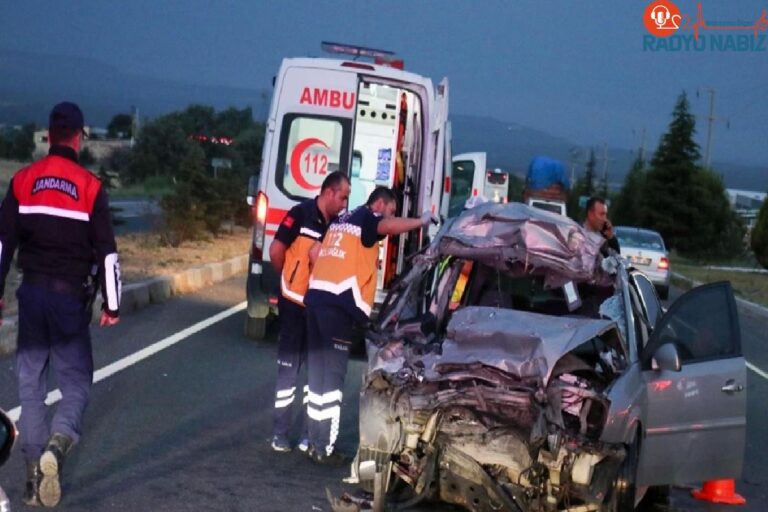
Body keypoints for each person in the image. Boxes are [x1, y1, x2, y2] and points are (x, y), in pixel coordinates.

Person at [0, 102, 121, 507]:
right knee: (75, 384)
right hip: (70, 300)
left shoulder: (22, 180)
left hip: (31, 296)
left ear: (49, 136)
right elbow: (107, 253)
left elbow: (3, 244)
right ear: (78, 138)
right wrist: (112, 304)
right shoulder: (90, 187)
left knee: (31, 386)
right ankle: (59, 441)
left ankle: (35, 480)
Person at [302, 186, 433, 464]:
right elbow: (387, 226)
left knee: (317, 375)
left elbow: (314, 253)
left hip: (315, 301)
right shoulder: (368, 216)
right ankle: (325, 447)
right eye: (392, 210)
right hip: (337, 308)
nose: (390, 216)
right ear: (380, 204)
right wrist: (420, 222)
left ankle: (313, 441)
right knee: (334, 379)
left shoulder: (340, 221)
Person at [268, 171, 351, 453]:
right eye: (342, 197)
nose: (344, 204)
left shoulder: (339, 226)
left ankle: (307, 435)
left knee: (314, 376)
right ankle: (280, 433)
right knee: (289, 371)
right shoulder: (300, 214)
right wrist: (287, 280)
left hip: (318, 309)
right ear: (329, 193)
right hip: (293, 304)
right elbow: (276, 250)